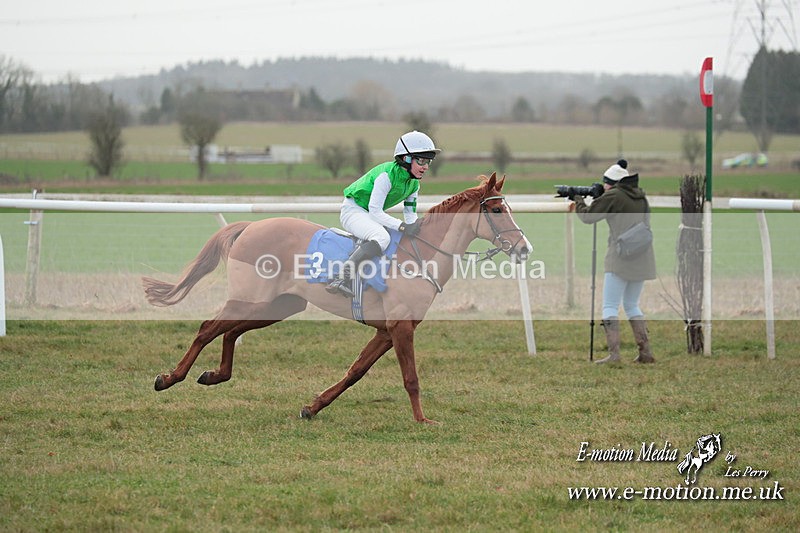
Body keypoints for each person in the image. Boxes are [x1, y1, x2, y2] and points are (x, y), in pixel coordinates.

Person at [326, 130, 441, 298]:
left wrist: (415, 228)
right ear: (406, 159)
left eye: (428, 161)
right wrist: (402, 226)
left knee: (400, 237)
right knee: (382, 237)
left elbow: (410, 214)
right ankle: (341, 277)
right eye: (421, 160)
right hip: (353, 211)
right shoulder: (386, 176)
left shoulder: (414, 184)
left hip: (368, 214)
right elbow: (375, 211)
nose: (425, 167)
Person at [573, 159, 656, 364]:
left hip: (619, 258)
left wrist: (578, 199)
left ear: (610, 183)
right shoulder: (640, 196)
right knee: (632, 304)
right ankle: (645, 352)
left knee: (609, 306)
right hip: (643, 256)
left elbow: (588, 217)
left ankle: (614, 355)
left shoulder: (614, 195)